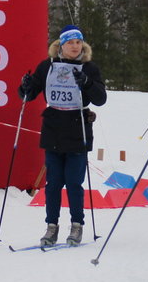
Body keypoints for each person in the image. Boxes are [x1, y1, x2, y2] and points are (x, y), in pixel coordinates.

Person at [18, 24, 107, 247]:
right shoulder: (47, 66)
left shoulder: (89, 68)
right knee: (54, 183)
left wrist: (87, 83)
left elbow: (100, 98)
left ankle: (77, 226)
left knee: (75, 183)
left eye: (78, 42)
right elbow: (28, 95)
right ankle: (52, 227)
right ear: (61, 45)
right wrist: (25, 86)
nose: (75, 46)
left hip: (78, 129)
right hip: (54, 128)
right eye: (70, 43)